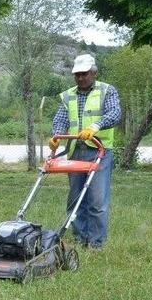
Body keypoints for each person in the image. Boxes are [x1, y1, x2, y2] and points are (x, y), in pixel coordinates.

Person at [48, 54, 121, 250]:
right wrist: (56, 136)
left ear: (94, 73)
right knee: (75, 198)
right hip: (75, 151)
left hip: (99, 151)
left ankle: (96, 243)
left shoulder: (107, 91)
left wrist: (95, 127)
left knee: (97, 200)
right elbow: (61, 119)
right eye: (77, 75)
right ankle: (80, 239)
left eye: (84, 74)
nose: (80, 78)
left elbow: (114, 113)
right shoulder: (68, 95)